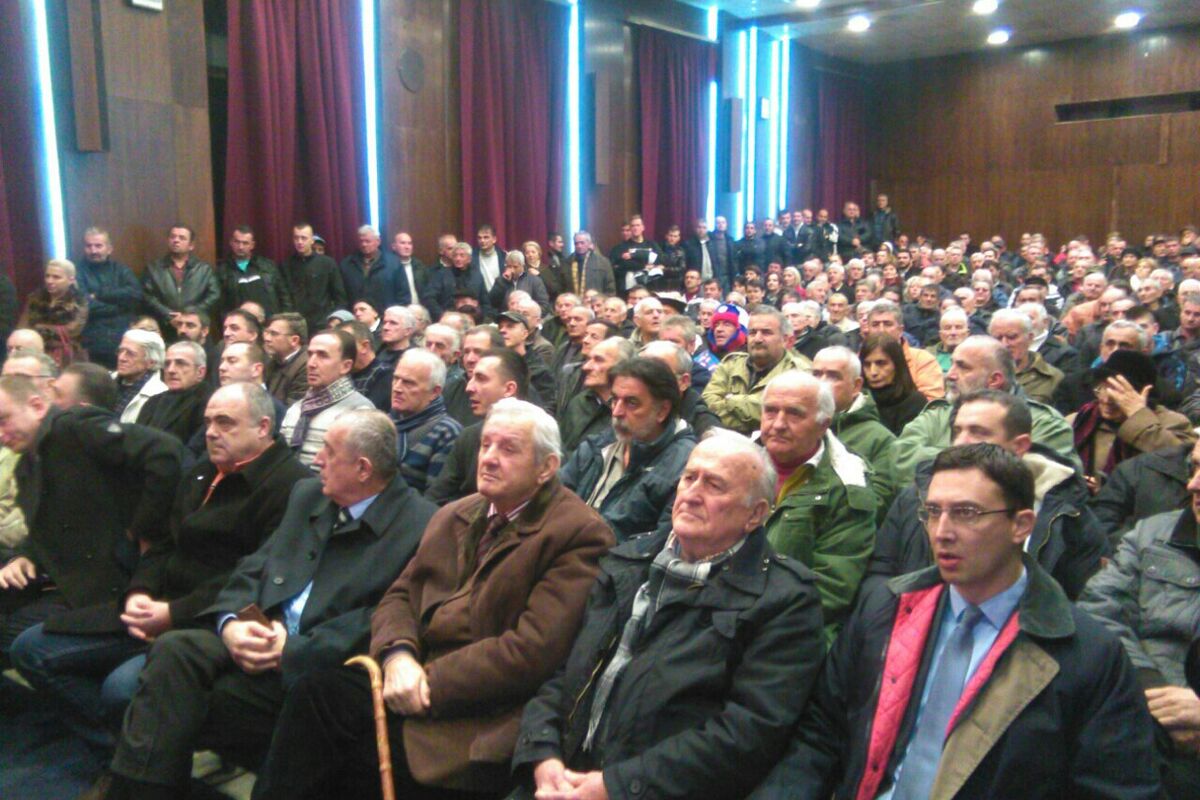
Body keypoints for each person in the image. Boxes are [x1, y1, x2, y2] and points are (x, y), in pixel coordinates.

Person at [752, 443, 1161, 800]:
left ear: (1021, 525)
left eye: (966, 513)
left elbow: (1116, 788)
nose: (942, 532)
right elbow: (821, 733)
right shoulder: (886, 608)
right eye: (933, 512)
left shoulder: (1086, 654)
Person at [251, 399, 614, 799]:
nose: (489, 458)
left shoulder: (577, 533)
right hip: (408, 679)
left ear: (546, 468)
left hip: (475, 714)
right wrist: (398, 655)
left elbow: (532, 651)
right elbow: (399, 596)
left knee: (331, 739)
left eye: (508, 449)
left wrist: (427, 682)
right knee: (316, 694)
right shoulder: (458, 513)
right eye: (486, 444)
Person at [83, 410, 436, 799]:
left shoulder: (421, 525)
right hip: (257, 631)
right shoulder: (308, 494)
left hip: (315, 664)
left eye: (329, 452)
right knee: (175, 649)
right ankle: (139, 791)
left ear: (363, 469)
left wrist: (293, 649)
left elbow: (385, 617)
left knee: (168, 705)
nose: (317, 460)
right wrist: (231, 623)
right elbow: (254, 566)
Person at [514, 431, 824, 800]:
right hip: (563, 779)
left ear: (755, 514)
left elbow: (749, 734)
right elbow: (567, 672)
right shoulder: (628, 562)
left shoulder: (785, 600)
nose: (692, 494)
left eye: (714, 485)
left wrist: (616, 786)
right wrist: (542, 753)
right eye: (689, 478)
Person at [9, 383, 308, 755]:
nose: (211, 432)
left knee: (121, 689)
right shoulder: (204, 472)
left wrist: (172, 613)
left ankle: (139, 761)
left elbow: (256, 577)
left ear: (263, 427)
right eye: (208, 422)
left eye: (225, 422)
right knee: (31, 648)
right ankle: (123, 754)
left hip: (212, 622)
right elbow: (165, 542)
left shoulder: (291, 487)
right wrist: (140, 590)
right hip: (157, 605)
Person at [0, 375, 182, 659]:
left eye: (4, 420)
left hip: (126, 589)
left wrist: (143, 529)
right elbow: (51, 526)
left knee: (21, 641)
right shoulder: (27, 466)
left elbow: (165, 452)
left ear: (37, 406)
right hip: (78, 587)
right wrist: (25, 556)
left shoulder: (75, 428)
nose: (1, 434)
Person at [867, 389, 1108, 603]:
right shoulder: (915, 497)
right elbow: (880, 573)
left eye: (978, 432)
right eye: (957, 431)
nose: (961, 442)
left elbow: (1084, 601)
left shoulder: (1067, 513)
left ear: (1019, 446)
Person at [1080, 442, 1200, 796]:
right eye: (1194, 468)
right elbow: (1098, 612)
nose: (1193, 484)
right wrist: (1151, 689)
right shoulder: (1152, 536)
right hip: (1141, 714)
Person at [759, 370, 876, 643]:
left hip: (790, 633)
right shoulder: (735, 464)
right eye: (770, 411)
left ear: (823, 424)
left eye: (794, 414)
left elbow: (831, 590)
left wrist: (749, 618)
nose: (778, 424)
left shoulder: (848, 486)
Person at [894, 335, 1078, 483]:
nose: (950, 375)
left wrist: (947, 458)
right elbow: (900, 458)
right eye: (951, 364)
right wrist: (989, 459)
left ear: (994, 380)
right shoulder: (937, 415)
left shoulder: (1044, 423)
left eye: (962, 367)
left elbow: (1048, 478)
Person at [560, 357, 696, 541]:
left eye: (631, 403)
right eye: (614, 400)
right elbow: (555, 497)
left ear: (662, 411)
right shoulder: (600, 444)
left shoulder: (684, 467)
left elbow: (655, 545)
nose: (617, 412)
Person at [1070, 349, 1195, 489]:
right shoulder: (1080, 420)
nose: (1106, 399)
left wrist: (1139, 417)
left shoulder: (1173, 423)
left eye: (1117, 391)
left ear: (1142, 393)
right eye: (1102, 388)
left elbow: (1185, 465)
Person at [425, 348, 529, 505]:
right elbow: (437, 498)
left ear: (509, 389)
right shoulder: (469, 436)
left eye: (481, 379)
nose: (469, 387)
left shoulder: (538, 440)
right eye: (471, 378)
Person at [812, 346, 899, 518]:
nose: (821, 383)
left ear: (856, 386)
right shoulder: (793, 425)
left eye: (833, 376)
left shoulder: (881, 440)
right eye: (816, 375)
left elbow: (877, 505)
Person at [702, 306, 811, 435]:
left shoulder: (800, 373)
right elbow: (707, 405)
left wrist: (730, 400)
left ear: (787, 340)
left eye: (766, 332)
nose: (758, 339)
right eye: (752, 332)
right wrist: (755, 419)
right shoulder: (730, 364)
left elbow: (783, 418)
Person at [279, 329, 375, 468]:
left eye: (323, 356)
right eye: (310, 354)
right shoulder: (295, 409)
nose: (311, 364)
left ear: (345, 366)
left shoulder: (360, 411)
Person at [389, 348, 462, 494]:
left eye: (408, 383)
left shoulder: (447, 433)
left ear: (435, 392)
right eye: (396, 379)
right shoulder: (383, 423)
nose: (397, 388)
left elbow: (435, 497)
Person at [1091, 443, 1192, 545]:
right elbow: (1102, 524)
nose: (1193, 485)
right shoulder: (1141, 468)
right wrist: (1136, 548)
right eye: (1196, 465)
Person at [75, 227, 142, 369]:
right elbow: (85, 304)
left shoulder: (121, 270)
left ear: (109, 249)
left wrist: (99, 295)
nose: (93, 251)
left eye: (98, 246)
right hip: (91, 340)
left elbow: (135, 294)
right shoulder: (76, 272)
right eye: (89, 246)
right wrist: (120, 307)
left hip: (123, 338)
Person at [559, 337, 634, 454]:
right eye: (588, 359)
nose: (586, 367)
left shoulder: (630, 411)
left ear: (622, 366)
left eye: (598, 360)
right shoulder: (578, 403)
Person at [140, 224, 220, 330]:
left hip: (194, 326)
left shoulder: (204, 269)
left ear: (191, 245)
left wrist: (190, 314)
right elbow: (146, 296)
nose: (176, 240)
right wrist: (167, 314)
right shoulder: (153, 268)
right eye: (173, 237)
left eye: (182, 238)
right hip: (164, 325)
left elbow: (214, 296)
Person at [865, 300, 945, 400]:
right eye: (875, 325)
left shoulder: (922, 360)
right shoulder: (858, 360)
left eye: (887, 324)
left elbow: (931, 402)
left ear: (900, 330)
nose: (881, 330)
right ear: (868, 330)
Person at [640, 340, 721, 438]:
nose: (644, 382)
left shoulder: (705, 426)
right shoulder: (628, 411)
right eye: (639, 374)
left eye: (657, 374)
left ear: (683, 382)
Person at [136, 341, 212, 444]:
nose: (171, 370)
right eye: (167, 364)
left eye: (181, 364)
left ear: (200, 372)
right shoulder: (153, 402)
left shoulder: (209, 404)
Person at [18, 258, 88, 366]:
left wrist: (38, 327)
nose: (49, 281)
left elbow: (72, 330)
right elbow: (22, 327)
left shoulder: (79, 300)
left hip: (66, 357)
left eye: (56, 277)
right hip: (35, 353)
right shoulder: (35, 298)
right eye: (47, 276)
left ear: (71, 280)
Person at [283, 222, 348, 335]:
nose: (299, 242)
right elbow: (284, 297)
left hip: (323, 323)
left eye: (304, 238)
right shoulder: (286, 265)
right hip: (296, 325)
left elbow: (340, 296)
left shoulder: (327, 263)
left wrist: (336, 318)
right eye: (296, 238)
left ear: (312, 240)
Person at [215, 224, 291, 319]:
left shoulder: (268, 266)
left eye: (245, 243)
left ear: (252, 245)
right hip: (241, 324)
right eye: (237, 242)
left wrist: (284, 320)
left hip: (270, 322)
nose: (241, 247)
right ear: (231, 243)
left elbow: (284, 296)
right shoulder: (222, 272)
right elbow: (221, 306)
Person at [989, 308, 1063, 404]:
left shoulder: (1053, 378)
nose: (1004, 344)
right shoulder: (979, 373)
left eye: (1012, 337)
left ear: (1030, 338)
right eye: (998, 338)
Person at [860, 333, 926, 436]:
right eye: (867, 365)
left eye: (881, 363)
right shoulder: (857, 402)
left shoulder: (915, 402)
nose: (873, 372)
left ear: (897, 365)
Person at [339, 224, 410, 314]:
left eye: (368, 241)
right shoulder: (347, 264)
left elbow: (403, 295)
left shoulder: (393, 263)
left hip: (386, 317)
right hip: (356, 316)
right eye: (361, 241)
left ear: (378, 241)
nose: (364, 244)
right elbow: (341, 296)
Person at [114, 329, 168, 422]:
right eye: (120, 351)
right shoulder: (104, 380)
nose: (121, 358)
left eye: (130, 354)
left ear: (151, 362)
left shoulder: (160, 395)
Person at [342, 320, 393, 411]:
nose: (340, 352)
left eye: (345, 345)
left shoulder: (385, 375)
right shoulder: (341, 376)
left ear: (364, 346)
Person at [263, 312, 309, 406]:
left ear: (294, 340)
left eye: (274, 334)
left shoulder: (307, 366)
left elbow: (293, 408)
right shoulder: (272, 361)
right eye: (266, 332)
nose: (267, 338)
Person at [488, 249, 550, 317]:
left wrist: (529, 316)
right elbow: (492, 303)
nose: (512, 270)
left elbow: (544, 305)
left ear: (522, 266)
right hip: (506, 318)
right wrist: (503, 282)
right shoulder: (500, 281)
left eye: (515, 267)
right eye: (509, 266)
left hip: (527, 318)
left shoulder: (534, 281)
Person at [564, 230, 616, 296]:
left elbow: (610, 286)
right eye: (576, 243)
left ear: (589, 244)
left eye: (582, 243)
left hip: (595, 300)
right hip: (572, 300)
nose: (579, 246)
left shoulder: (603, 262)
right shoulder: (567, 262)